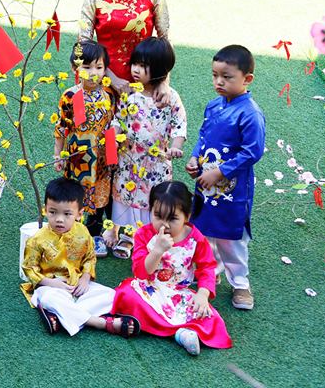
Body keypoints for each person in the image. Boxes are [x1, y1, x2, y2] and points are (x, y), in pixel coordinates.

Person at [186, 44, 265, 311]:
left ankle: (240, 282)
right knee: (203, 229)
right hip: (206, 183)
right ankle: (210, 273)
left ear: (247, 79)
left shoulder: (250, 113)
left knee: (232, 237)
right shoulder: (213, 106)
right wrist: (194, 159)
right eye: (215, 75)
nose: (218, 82)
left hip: (234, 189)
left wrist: (219, 172)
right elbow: (203, 137)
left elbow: (253, 151)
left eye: (227, 77)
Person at [111, 182, 232, 355]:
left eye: (173, 218)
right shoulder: (144, 234)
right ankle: (179, 330)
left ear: (187, 217)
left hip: (178, 293)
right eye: (158, 216)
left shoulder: (195, 238)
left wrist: (202, 295)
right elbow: (141, 272)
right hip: (149, 289)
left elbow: (207, 268)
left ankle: (174, 330)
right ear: (150, 210)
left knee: (209, 317)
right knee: (126, 294)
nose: (164, 225)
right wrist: (157, 251)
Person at [21, 178, 140, 338]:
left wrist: (85, 279)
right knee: (49, 299)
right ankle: (100, 322)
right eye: (53, 212)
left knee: (111, 295)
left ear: (79, 214)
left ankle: (59, 317)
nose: (59, 219)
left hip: (77, 285)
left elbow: (89, 258)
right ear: (45, 210)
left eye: (67, 214)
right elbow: (29, 268)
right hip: (50, 287)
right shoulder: (37, 239)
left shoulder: (83, 232)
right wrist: (51, 283)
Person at [108, 37, 187, 258]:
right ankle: (123, 234)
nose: (135, 70)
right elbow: (118, 119)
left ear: (160, 69)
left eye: (143, 66)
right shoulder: (130, 94)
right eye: (134, 63)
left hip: (156, 161)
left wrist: (176, 146)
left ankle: (149, 237)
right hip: (129, 157)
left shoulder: (169, 97)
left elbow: (179, 123)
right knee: (124, 194)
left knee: (152, 197)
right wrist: (113, 138)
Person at [53, 41, 116, 254]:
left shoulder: (109, 95)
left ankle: (94, 233)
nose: (93, 73)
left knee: (99, 197)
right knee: (75, 194)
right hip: (77, 158)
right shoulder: (70, 96)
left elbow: (111, 127)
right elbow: (62, 127)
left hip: (101, 159)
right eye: (87, 67)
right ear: (75, 68)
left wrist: (112, 157)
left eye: (99, 67)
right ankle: (73, 231)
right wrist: (58, 154)